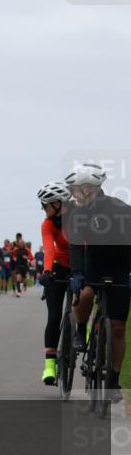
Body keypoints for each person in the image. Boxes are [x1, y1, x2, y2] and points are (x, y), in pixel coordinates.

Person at [64, 163, 131, 402]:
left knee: (118, 327)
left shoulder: (120, 209)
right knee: (84, 296)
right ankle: (81, 329)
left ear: (89, 189)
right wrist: (77, 273)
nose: (72, 194)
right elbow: (74, 246)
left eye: (75, 190)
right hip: (92, 266)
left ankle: (113, 378)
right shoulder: (77, 214)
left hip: (120, 269)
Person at [37, 182, 72, 386]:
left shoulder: (78, 218)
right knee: (54, 314)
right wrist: (47, 271)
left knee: (82, 300)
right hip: (59, 265)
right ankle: (50, 366)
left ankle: (83, 330)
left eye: (46, 204)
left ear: (59, 203)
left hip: (80, 263)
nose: (43, 208)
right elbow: (49, 249)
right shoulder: (47, 223)